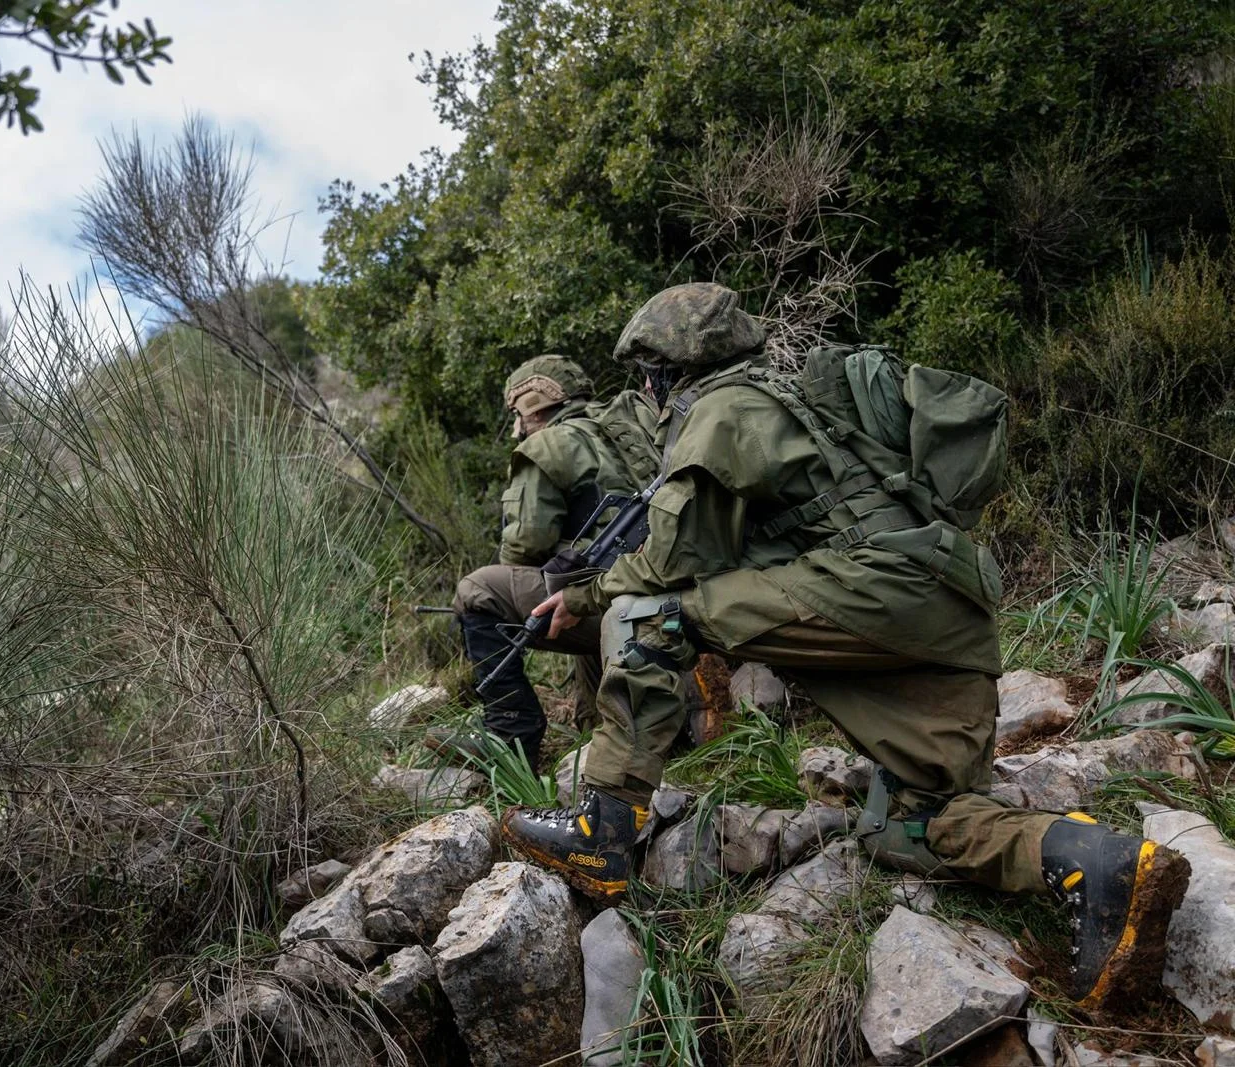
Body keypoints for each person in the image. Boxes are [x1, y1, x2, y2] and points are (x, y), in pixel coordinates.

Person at [502, 283, 1190, 1016]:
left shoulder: (725, 411)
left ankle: (602, 830)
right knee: (915, 826)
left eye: (649, 372)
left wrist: (582, 597)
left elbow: (672, 562)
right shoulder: (802, 400)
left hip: (880, 595)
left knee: (646, 617)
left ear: (670, 371)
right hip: (949, 618)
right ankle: (1097, 862)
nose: (645, 387)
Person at [424, 354, 658, 773]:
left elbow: (523, 549)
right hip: (664, 593)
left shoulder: (548, 446)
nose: (517, 428)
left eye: (517, 414)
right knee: (582, 570)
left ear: (533, 404)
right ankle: (600, 725)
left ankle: (511, 733)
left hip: (619, 599)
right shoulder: (632, 426)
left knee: (479, 591)